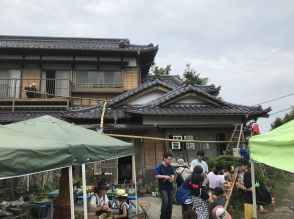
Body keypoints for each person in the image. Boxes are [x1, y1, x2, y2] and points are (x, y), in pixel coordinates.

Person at [155, 152, 175, 219]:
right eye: (169, 159)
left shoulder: (171, 167)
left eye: (170, 159)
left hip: (170, 187)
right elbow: (156, 176)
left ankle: (168, 217)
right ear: (164, 159)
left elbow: (173, 175)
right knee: (165, 203)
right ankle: (163, 217)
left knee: (170, 204)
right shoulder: (159, 166)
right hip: (163, 188)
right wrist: (164, 176)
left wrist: (172, 178)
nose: (170, 161)